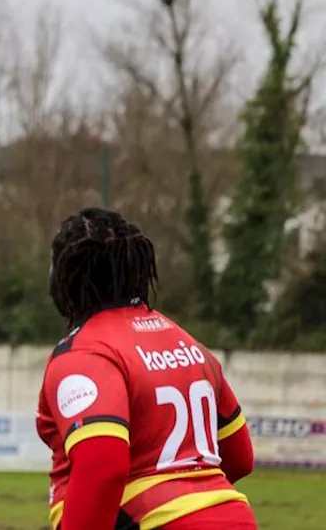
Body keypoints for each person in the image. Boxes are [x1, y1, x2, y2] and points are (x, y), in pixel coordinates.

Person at [36, 208, 258, 530]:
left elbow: (102, 466)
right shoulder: (191, 347)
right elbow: (239, 458)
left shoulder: (83, 354)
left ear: (64, 276)